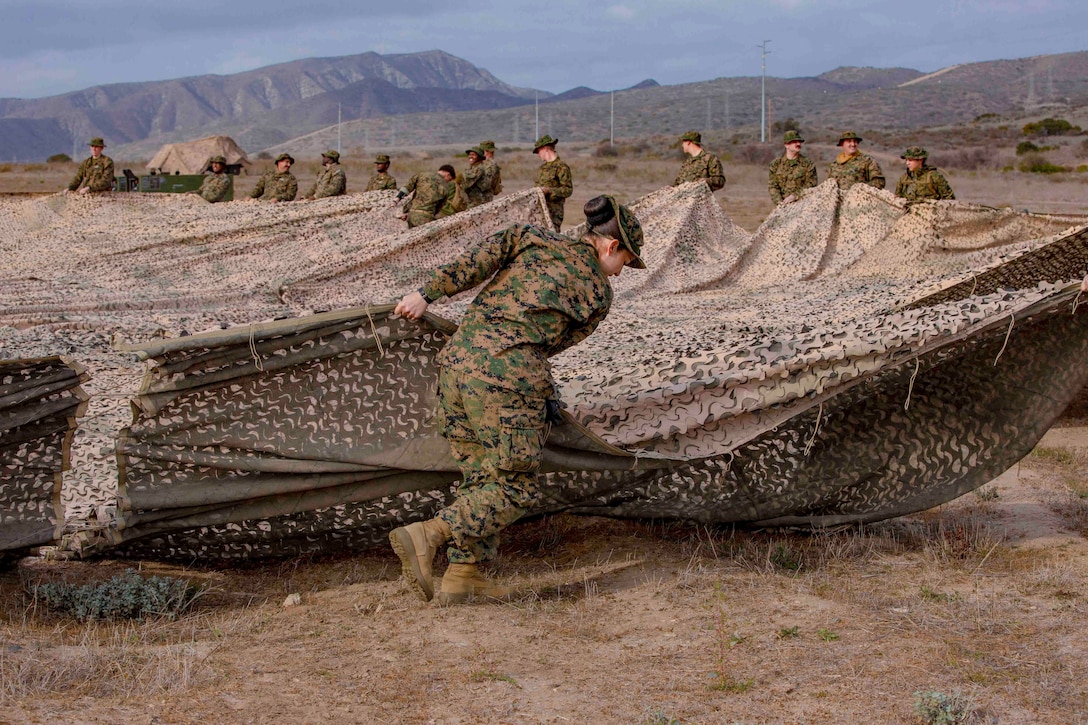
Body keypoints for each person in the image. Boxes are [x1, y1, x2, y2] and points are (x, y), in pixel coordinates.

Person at [389, 194, 646, 604]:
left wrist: (426, 294)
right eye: (626, 263)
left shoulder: (530, 237)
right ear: (610, 246)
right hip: (508, 379)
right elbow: (552, 344)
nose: (620, 273)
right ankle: (431, 533)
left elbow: (475, 262)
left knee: (481, 479)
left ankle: (463, 574)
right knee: (514, 486)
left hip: (455, 367)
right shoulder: (598, 293)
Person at [532, 135, 572, 230]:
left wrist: (549, 191)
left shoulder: (561, 167)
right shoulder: (542, 169)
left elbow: (568, 190)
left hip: (554, 213)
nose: (538, 155)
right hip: (540, 212)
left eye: (538, 151)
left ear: (545, 148)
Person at [768, 130, 817, 204]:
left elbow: (811, 185)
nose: (798, 144)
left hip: (802, 205)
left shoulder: (808, 164)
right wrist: (779, 202)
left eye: (799, 141)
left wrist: (795, 196)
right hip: (782, 206)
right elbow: (773, 186)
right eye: (794, 142)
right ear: (786, 145)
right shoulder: (775, 164)